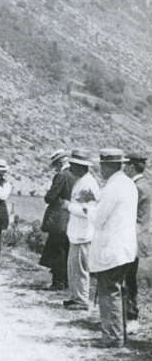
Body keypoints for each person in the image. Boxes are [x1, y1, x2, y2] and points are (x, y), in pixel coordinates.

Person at [88, 149, 138, 348]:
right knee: (118, 291)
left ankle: (112, 337)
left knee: (109, 292)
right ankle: (119, 333)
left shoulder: (113, 187)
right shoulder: (128, 184)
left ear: (108, 166)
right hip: (125, 248)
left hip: (112, 249)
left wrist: (89, 206)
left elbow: (98, 218)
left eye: (102, 166)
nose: (101, 169)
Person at [61, 149, 100, 310]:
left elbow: (88, 211)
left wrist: (69, 206)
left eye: (74, 165)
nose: (71, 168)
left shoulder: (89, 184)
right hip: (76, 233)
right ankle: (76, 296)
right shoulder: (81, 181)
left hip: (83, 233)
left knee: (80, 268)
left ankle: (82, 299)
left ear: (81, 166)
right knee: (74, 268)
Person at [39, 150, 77, 291]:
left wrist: (48, 194)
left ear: (59, 162)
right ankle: (66, 281)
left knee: (57, 250)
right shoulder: (75, 174)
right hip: (72, 216)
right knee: (66, 249)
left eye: (55, 164)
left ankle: (58, 282)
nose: (54, 167)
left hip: (60, 217)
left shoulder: (61, 176)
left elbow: (50, 197)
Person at [124, 152, 151, 327]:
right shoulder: (146, 185)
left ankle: (130, 316)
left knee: (127, 278)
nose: (124, 168)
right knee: (130, 277)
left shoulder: (135, 187)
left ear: (132, 166)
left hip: (131, 237)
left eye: (126, 165)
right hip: (141, 237)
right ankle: (131, 315)